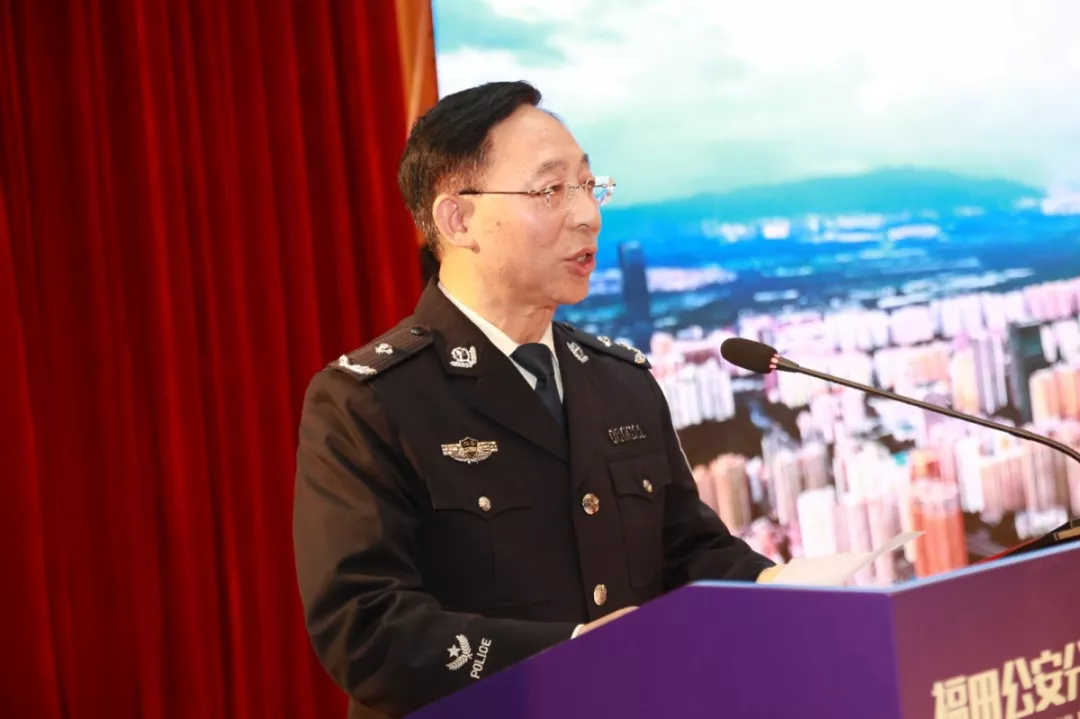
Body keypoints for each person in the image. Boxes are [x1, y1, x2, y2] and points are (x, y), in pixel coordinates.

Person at [292, 80, 780, 719]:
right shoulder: (368, 402)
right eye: (552, 191)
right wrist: (569, 656)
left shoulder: (621, 380)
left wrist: (779, 585)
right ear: (458, 220)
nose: (588, 215)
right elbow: (365, 628)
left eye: (589, 185)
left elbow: (688, 550)